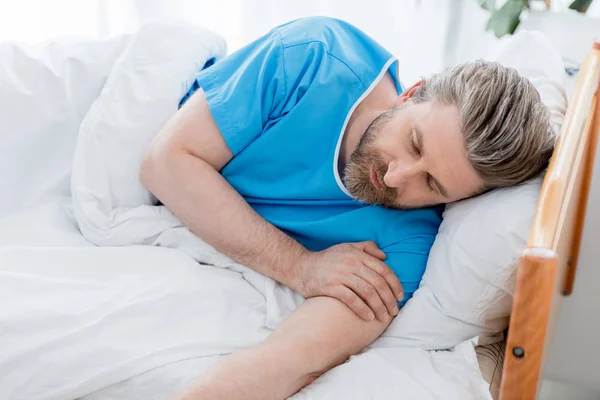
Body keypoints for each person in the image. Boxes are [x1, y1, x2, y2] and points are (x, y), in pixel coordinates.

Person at [140, 16, 554, 400]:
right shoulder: (315, 56)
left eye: (431, 184)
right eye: (413, 144)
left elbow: (288, 361)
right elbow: (164, 163)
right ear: (411, 94)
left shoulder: (403, 246)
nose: (395, 178)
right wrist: (300, 265)